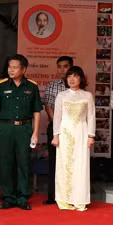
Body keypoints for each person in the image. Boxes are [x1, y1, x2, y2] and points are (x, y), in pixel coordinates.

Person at [0, 54, 42, 210]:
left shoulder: (31, 87)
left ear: (23, 69)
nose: (11, 70)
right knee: (6, 163)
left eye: (14, 67)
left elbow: (36, 111)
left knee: (23, 162)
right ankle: (8, 196)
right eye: (9, 67)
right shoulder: (1, 86)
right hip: (6, 128)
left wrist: (35, 132)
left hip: (24, 129)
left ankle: (22, 196)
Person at [52, 66, 95, 212]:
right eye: (69, 76)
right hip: (65, 134)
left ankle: (79, 200)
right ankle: (64, 200)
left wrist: (91, 136)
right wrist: (56, 135)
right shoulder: (61, 96)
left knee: (81, 166)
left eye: (75, 76)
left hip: (81, 133)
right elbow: (57, 117)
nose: (72, 79)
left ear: (81, 79)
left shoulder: (87, 96)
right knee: (64, 165)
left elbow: (91, 116)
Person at [41, 55, 72, 205]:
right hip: (55, 128)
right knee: (54, 162)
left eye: (65, 66)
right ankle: (53, 195)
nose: (62, 70)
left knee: (71, 162)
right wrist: (57, 125)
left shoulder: (77, 86)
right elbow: (48, 107)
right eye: (59, 67)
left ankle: (71, 195)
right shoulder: (52, 85)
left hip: (73, 129)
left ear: (71, 67)